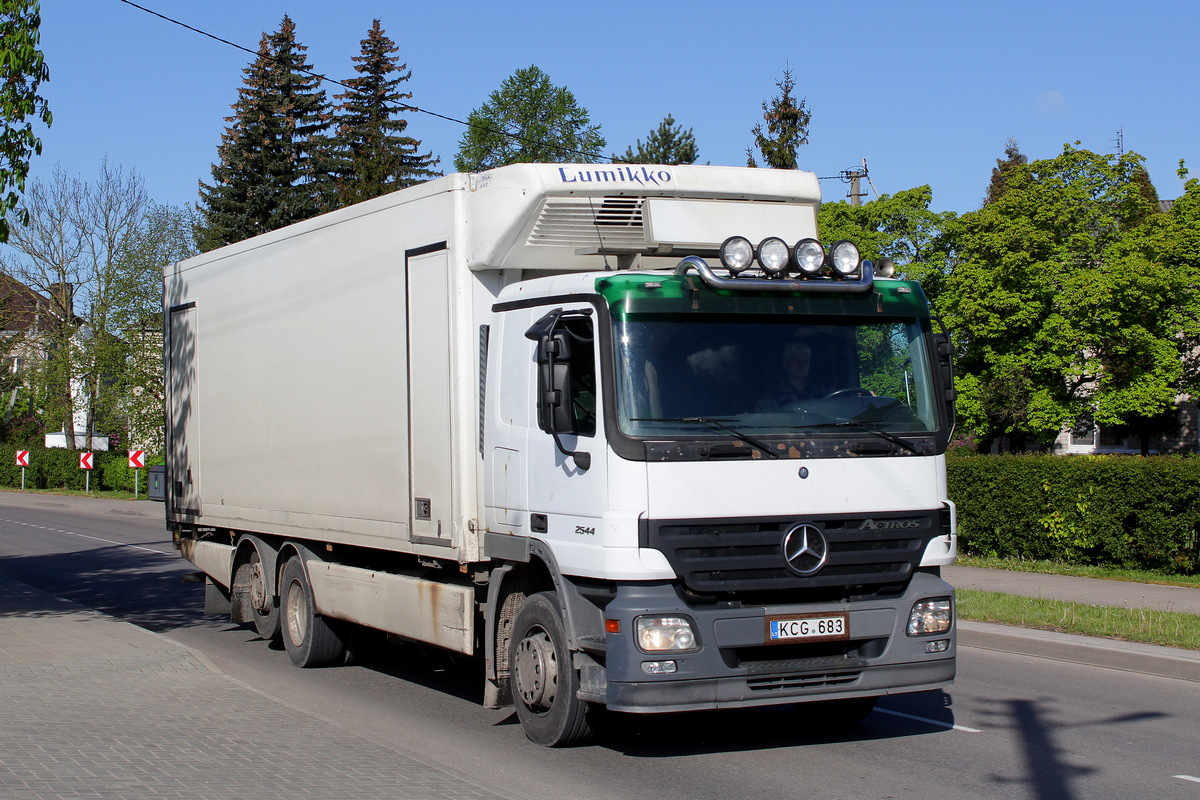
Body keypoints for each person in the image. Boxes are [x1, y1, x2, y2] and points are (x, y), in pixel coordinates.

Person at [756, 341, 820, 411]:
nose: (801, 364)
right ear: (785, 363)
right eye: (796, 360)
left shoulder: (822, 391)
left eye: (805, 360)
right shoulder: (771, 397)